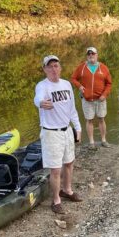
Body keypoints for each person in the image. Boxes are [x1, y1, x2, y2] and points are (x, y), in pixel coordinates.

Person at [34, 54, 83, 215]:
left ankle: (67, 190)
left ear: (60, 68)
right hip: (51, 133)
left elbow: (72, 108)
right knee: (55, 169)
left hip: (66, 130)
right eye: (50, 66)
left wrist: (77, 127)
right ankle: (56, 200)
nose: (53, 69)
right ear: (45, 69)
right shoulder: (42, 86)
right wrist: (41, 103)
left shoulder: (67, 84)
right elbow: (38, 98)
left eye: (56, 66)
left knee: (69, 162)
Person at [70, 46, 112, 149]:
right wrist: (79, 86)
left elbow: (109, 84)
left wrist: (104, 94)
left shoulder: (103, 67)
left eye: (93, 54)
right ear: (87, 56)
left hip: (100, 99)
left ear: (97, 55)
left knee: (101, 119)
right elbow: (73, 78)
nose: (91, 56)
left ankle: (103, 140)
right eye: (89, 54)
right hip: (87, 99)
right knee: (89, 120)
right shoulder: (82, 67)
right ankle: (91, 142)